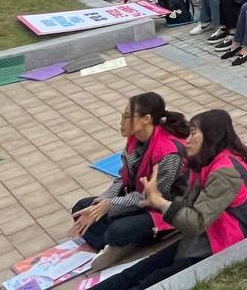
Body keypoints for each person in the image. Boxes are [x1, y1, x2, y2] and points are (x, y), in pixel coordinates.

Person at [90, 110, 247, 290]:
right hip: (206, 234)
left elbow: (195, 222)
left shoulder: (224, 172)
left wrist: (160, 202)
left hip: (227, 243)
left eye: (193, 134)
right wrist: (156, 200)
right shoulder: (207, 161)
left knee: (152, 281)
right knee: (138, 270)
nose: (187, 140)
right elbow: (189, 205)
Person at [70, 94, 189, 251]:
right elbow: (122, 178)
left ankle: (117, 239)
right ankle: (113, 241)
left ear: (146, 119)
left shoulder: (169, 153)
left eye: (126, 116)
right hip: (137, 201)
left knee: (117, 231)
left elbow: (153, 197)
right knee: (82, 207)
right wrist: (102, 201)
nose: (121, 122)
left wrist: (111, 206)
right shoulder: (135, 139)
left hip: (163, 207)